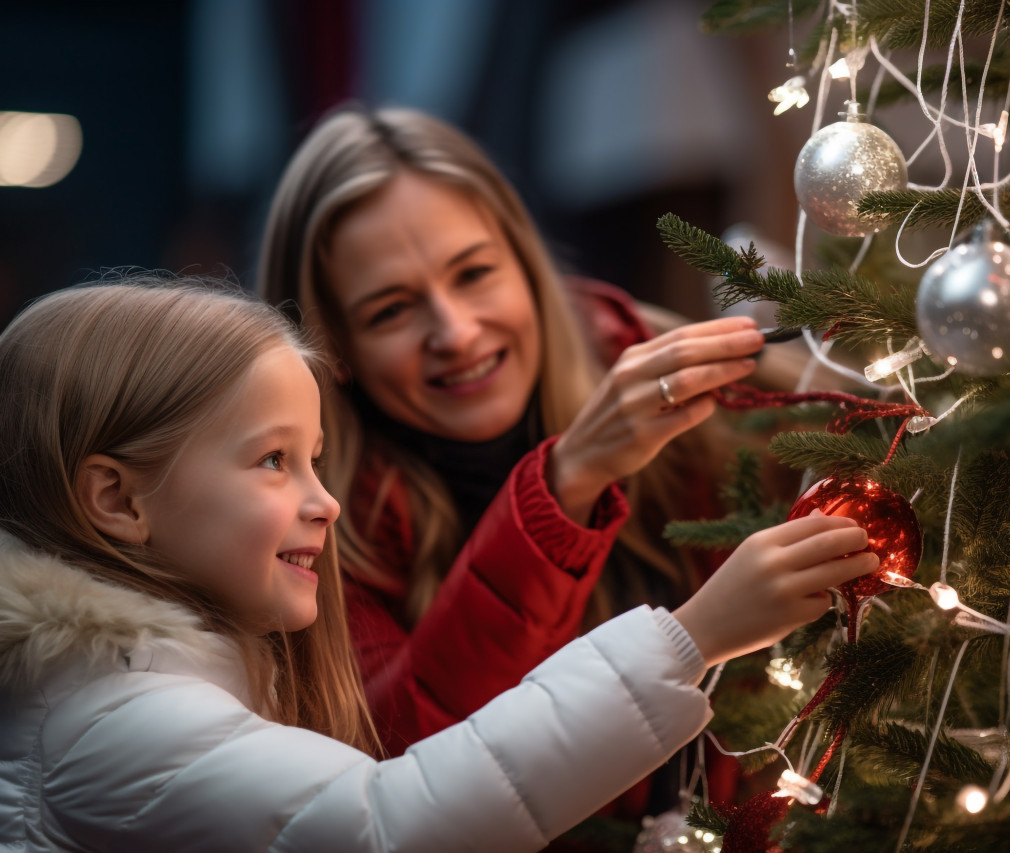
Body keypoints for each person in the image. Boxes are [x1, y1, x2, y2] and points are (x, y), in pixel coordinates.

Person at [0, 278, 877, 852]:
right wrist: (691, 637)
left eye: (315, 458)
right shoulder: (110, 728)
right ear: (117, 500)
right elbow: (394, 824)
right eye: (273, 460)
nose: (326, 502)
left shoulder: (148, 692)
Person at [255, 104, 794, 788]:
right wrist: (564, 487)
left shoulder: (673, 377)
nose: (455, 331)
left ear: (527, 265)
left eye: (475, 273)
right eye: (390, 310)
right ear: (333, 349)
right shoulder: (311, 529)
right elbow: (395, 782)